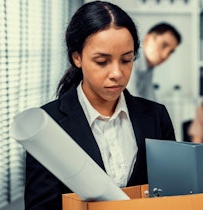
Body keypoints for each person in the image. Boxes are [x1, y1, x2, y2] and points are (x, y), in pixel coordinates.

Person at [25, 2, 175, 210]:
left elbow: (172, 197)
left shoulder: (156, 116)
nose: (117, 73)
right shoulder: (48, 125)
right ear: (77, 57)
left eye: (126, 60)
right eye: (102, 61)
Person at [127, 22, 181, 101]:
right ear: (148, 39)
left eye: (170, 52)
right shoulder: (131, 59)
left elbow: (150, 99)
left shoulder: (148, 67)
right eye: (164, 45)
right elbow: (130, 100)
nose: (166, 55)